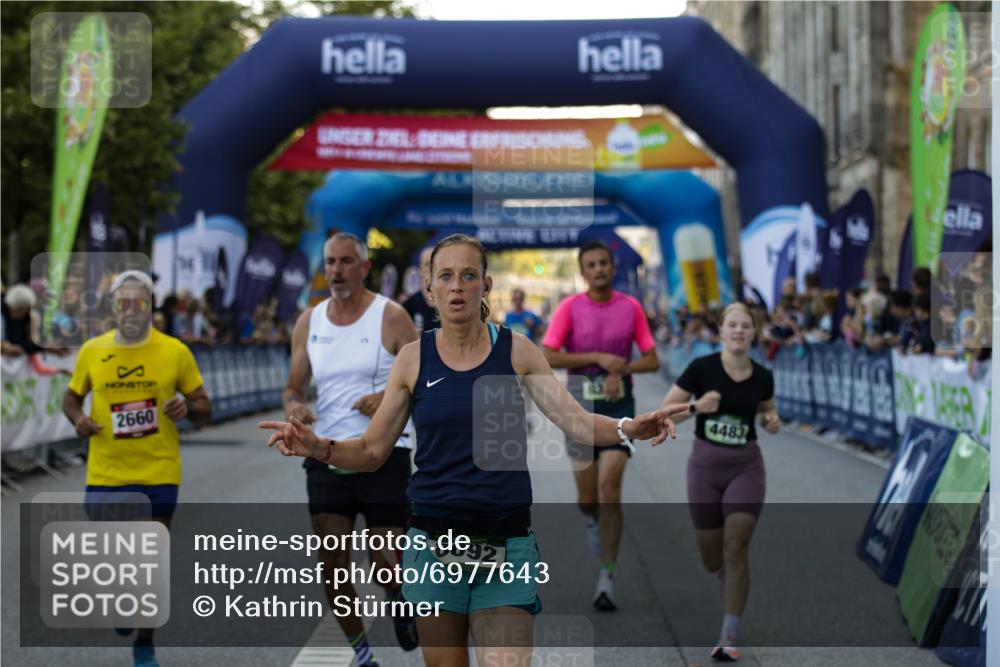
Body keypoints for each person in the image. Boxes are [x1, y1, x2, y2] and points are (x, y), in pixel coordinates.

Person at [261, 234, 685, 667]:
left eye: (468, 276)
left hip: (504, 542)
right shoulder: (412, 359)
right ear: (430, 289)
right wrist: (318, 448)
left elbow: (575, 420)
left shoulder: (517, 351)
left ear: (486, 285)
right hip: (432, 543)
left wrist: (629, 427)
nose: (457, 286)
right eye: (446, 276)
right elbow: (372, 450)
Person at [282, 233, 420, 666]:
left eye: (346, 261)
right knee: (333, 567)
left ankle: (399, 598)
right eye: (330, 262)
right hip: (326, 453)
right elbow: (292, 386)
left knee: (386, 565)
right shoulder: (310, 321)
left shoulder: (391, 316)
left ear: (364, 267)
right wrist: (295, 407)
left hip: (384, 452)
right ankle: (362, 655)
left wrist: (386, 397)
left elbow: (425, 374)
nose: (336, 270)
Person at [62, 270, 211, 667]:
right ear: (112, 307)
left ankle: (145, 644)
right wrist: (78, 419)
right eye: (122, 303)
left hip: (158, 471)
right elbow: (71, 399)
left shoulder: (175, 351)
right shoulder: (92, 351)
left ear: (150, 306)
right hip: (106, 471)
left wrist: (188, 407)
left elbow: (204, 408)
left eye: (138, 303)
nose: (130, 310)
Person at [541, 240, 660, 612]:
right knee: (588, 499)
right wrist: (597, 358)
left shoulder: (631, 307)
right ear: (583, 272)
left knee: (610, 489)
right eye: (591, 265)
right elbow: (547, 353)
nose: (598, 270)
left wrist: (622, 367)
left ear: (612, 267)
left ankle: (606, 575)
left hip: (619, 408)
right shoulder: (569, 308)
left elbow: (652, 360)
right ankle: (592, 520)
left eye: (604, 263)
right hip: (577, 407)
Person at [660, 302, 780, 662]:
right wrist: (697, 408)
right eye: (733, 325)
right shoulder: (702, 369)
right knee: (712, 558)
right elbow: (664, 414)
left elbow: (767, 409)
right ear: (722, 331)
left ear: (754, 333)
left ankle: (728, 635)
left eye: (746, 326)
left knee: (736, 547)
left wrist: (771, 420)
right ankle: (722, 576)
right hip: (705, 469)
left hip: (746, 468)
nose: (739, 331)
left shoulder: (762, 376)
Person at [402, 246, 439, 332]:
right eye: (427, 264)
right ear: (420, 268)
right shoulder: (410, 304)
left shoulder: (451, 300)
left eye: (435, 263)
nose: (431, 267)